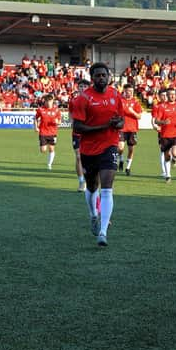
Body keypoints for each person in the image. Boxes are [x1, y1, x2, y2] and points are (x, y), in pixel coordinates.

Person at [71, 62, 124, 247]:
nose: (102, 78)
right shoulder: (83, 99)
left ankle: (103, 231)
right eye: (98, 75)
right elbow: (77, 127)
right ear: (92, 78)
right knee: (92, 187)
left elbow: (121, 119)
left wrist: (118, 124)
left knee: (107, 187)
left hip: (110, 145)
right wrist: (103, 126)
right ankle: (94, 214)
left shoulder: (116, 95)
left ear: (109, 76)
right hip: (88, 149)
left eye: (104, 75)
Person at [153, 88, 176, 183]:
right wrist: (163, 122)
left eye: (174, 94)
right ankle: (168, 176)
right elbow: (156, 120)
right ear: (167, 96)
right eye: (170, 94)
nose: (172, 96)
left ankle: (174, 159)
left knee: (175, 153)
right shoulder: (162, 107)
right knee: (167, 156)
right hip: (165, 135)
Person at [69, 79, 90, 192]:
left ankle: (91, 179)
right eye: (81, 86)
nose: (82, 88)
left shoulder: (92, 101)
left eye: (85, 86)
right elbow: (70, 112)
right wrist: (72, 121)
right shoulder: (74, 101)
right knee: (78, 156)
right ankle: (82, 181)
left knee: (90, 157)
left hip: (90, 132)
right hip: (77, 133)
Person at [118, 84, 143, 176]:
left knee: (131, 149)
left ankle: (128, 167)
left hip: (132, 129)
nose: (130, 93)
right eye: (128, 91)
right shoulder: (120, 101)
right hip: (121, 128)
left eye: (131, 91)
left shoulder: (136, 103)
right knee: (120, 148)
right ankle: (121, 159)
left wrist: (132, 111)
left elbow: (139, 116)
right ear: (124, 91)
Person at [34, 94, 61, 171]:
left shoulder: (56, 110)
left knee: (52, 149)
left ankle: (49, 164)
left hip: (53, 132)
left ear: (52, 101)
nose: (49, 103)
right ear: (45, 101)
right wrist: (36, 127)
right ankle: (42, 144)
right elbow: (35, 118)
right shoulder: (41, 109)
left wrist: (58, 122)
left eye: (50, 101)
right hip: (43, 132)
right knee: (43, 150)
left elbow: (59, 121)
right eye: (47, 101)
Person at [151, 89, 168, 178]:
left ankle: (170, 164)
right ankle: (164, 171)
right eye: (163, 95)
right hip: (162, 132)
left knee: (173, 152)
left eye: (166, 95)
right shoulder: (156, 107)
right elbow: (153, 119)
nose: (165, 97)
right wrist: (155, 126)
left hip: (173, 132)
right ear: (159, 96)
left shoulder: (171, 105)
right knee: (163, 151)